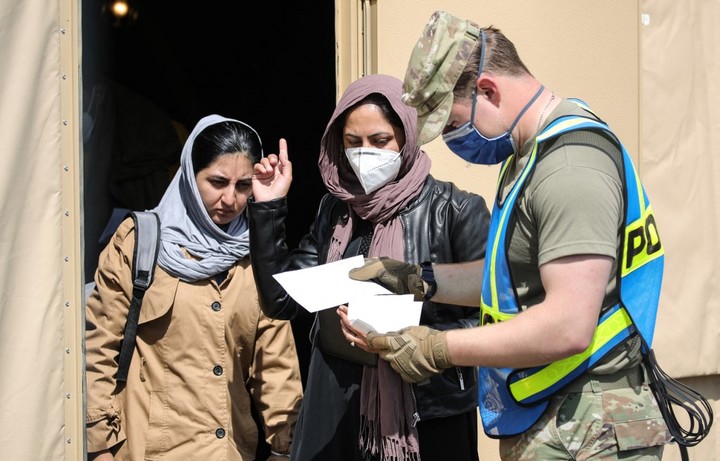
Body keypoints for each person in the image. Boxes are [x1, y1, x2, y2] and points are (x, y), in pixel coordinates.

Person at [347, 11, 673, 461]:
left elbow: (568, 324)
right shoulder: (531, 154)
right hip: (560, 414)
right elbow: (509, 279)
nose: (455, 141)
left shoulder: (569, 167)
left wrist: (437, 348)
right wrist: (418, 278)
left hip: (591, 424)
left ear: (487, 90)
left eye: (453, 124)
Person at [248, 74, 490, 461]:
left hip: (426, 415)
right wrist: (268, 207)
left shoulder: (455, 210)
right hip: (338, 407)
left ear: (406, 137)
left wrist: (421, 341)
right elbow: (281, 299)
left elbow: (493, 319)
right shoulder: (336, 208)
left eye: (379, 141)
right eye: (353, 142)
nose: (365, 153)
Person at [85, 115, 302, 461]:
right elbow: (100, 347)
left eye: (243, 186)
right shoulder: (139, 243)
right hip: (148, 451)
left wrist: (284, 449)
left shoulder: (257, 260)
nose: (230, 199)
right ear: (189, 174)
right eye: (217, 182)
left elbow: (276, 365)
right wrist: (101, 446)